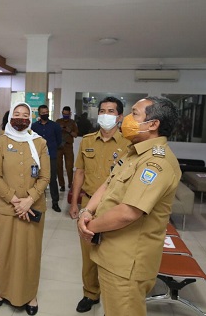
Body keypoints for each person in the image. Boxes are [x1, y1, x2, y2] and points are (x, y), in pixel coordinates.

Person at [77, 96, 181, 316]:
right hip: (112, 252)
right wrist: (87, 211)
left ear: (153, 124)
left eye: (135, 114)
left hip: (127, 262)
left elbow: (128, 212)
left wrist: (89, 227)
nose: (126, 120)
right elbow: (108, 184)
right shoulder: (133, 152)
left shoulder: (156, 162)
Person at [69, 97, 130, 313]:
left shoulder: (129, 144)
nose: (105, 114)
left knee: (112, 255)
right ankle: (90, 294)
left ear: (120, 116)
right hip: (89, 204)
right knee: (88, 255)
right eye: (102, 110)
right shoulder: (86, 141)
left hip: (116, 206)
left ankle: (112, 299)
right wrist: (75, 201)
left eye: (111, 111)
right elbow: (80, 172)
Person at [0, 102, 50, 316]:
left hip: (32, 208)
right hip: (5, 208)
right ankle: (2, 291)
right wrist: (15, 200)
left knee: (30, 253)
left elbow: (45, 176)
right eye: (17, 114)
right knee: (4, 250)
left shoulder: (40, 142)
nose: (21, 118)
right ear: (10, 117)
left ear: (31, 119)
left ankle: (30, 294)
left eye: (25, 115)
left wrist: (29, 200)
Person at [31, 104, 63, 212]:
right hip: (36, 157)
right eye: (43, 112)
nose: (45, 114)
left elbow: (59, 141)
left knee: (52, 179)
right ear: (39, 113)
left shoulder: (55, 126)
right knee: (36, 178)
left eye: (46, 112)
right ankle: (37, 200)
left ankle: (55, 202)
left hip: (51, 156)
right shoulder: (34, 126)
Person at [56, 106, 78, 191]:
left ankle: (70, 184)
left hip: (68, 146)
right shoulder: (58, 122)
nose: (65, 115)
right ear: (62, 113)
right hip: (59, 147)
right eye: (64, 114)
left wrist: (69, 130)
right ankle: (62, 185)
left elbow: (75, 135)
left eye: (67, 114)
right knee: (59, 166)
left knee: (69, 166)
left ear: (70, 114)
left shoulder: (73, 123)